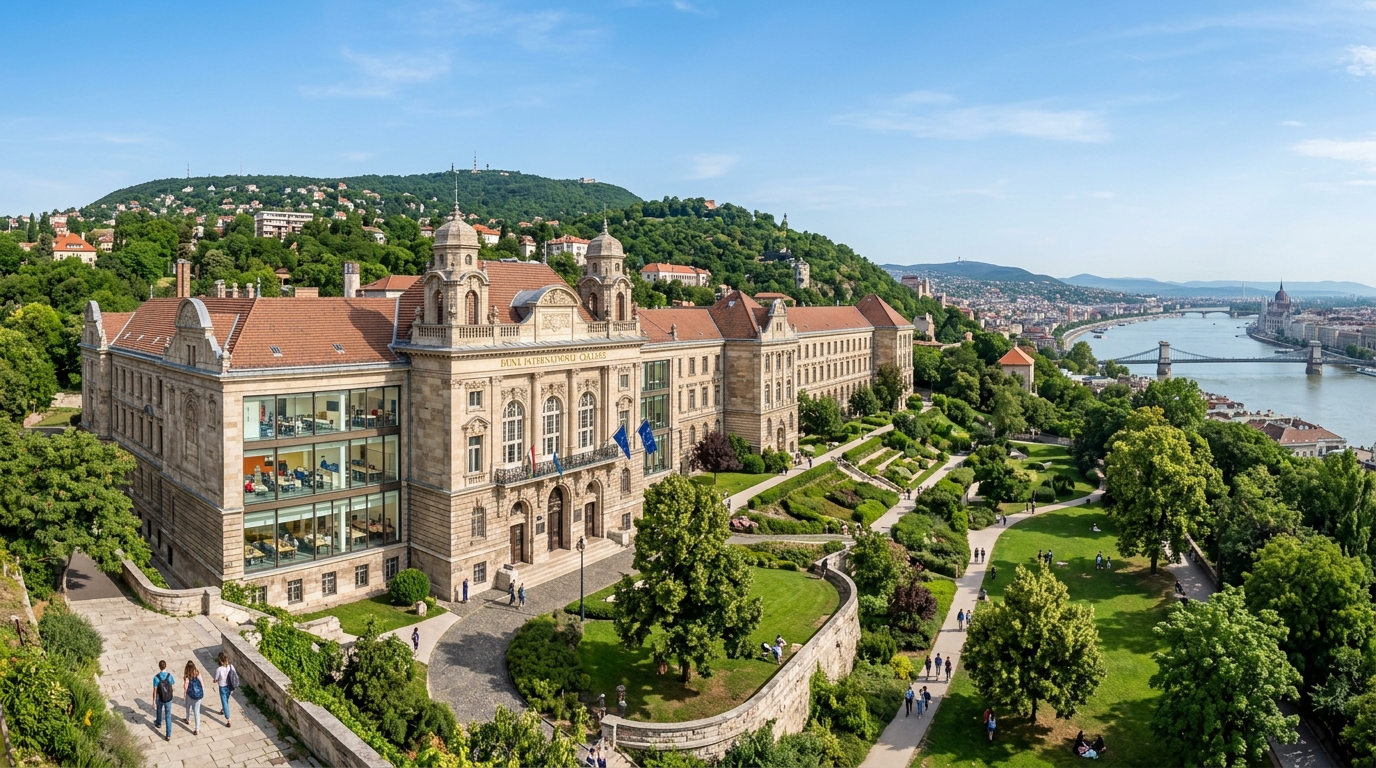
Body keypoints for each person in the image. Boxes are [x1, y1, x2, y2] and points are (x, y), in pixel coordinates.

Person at [152, 660, 175, 741]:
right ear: (165, 666)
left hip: (160, 697)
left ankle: (158, 723)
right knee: (168, 715)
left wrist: (153, 701)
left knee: (159, 710)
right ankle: (168, 734)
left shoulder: (156, 678)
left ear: (159, 667)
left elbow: (155, 690)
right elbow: (172, 685)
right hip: (168, 698)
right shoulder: (169, 676)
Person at [213, 652, 235, 728]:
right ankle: (223, 709)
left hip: (222, 687)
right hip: (230, 686)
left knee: (224, 701)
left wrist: (215, 681)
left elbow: (216, 678)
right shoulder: (231, 667)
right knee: (226, 699)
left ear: (221, 661)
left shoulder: (219, 669)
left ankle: (228, 719)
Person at [184, 660, 204, 735]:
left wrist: (184, 695)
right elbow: (202, 683)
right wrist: (202, 692)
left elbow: (185, 686)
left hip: (190, 694)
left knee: (188, 706)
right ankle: (197, 729)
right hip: (198, 695)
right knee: (196, 712)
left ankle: (188, 719)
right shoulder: (197, 673)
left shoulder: (187, 675)